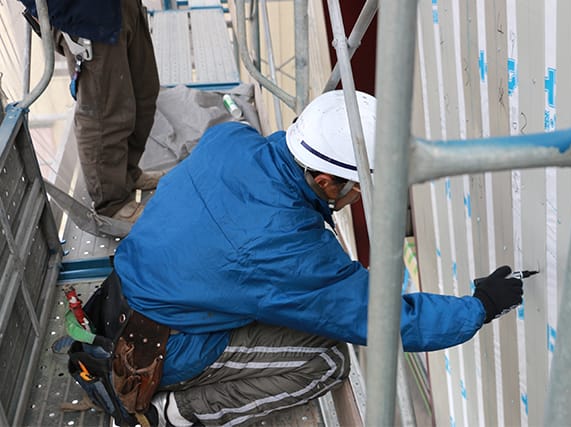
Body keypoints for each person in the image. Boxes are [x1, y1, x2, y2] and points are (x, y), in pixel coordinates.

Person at [73, 90, 523, 426]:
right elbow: (383, 320)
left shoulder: (232, 138)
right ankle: (172, 413)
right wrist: (478, 307)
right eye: (359, 185)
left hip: (126, 298)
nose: (361, 196)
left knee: (296, 316)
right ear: (326, 180)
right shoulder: (288, 244)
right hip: (158, 348)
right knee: (326, 362)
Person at [19, 0, 162, 222]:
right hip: (84, 14)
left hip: (120, 7)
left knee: (144, 92)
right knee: (105, 113)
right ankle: (112, 202)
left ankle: (127, 173)